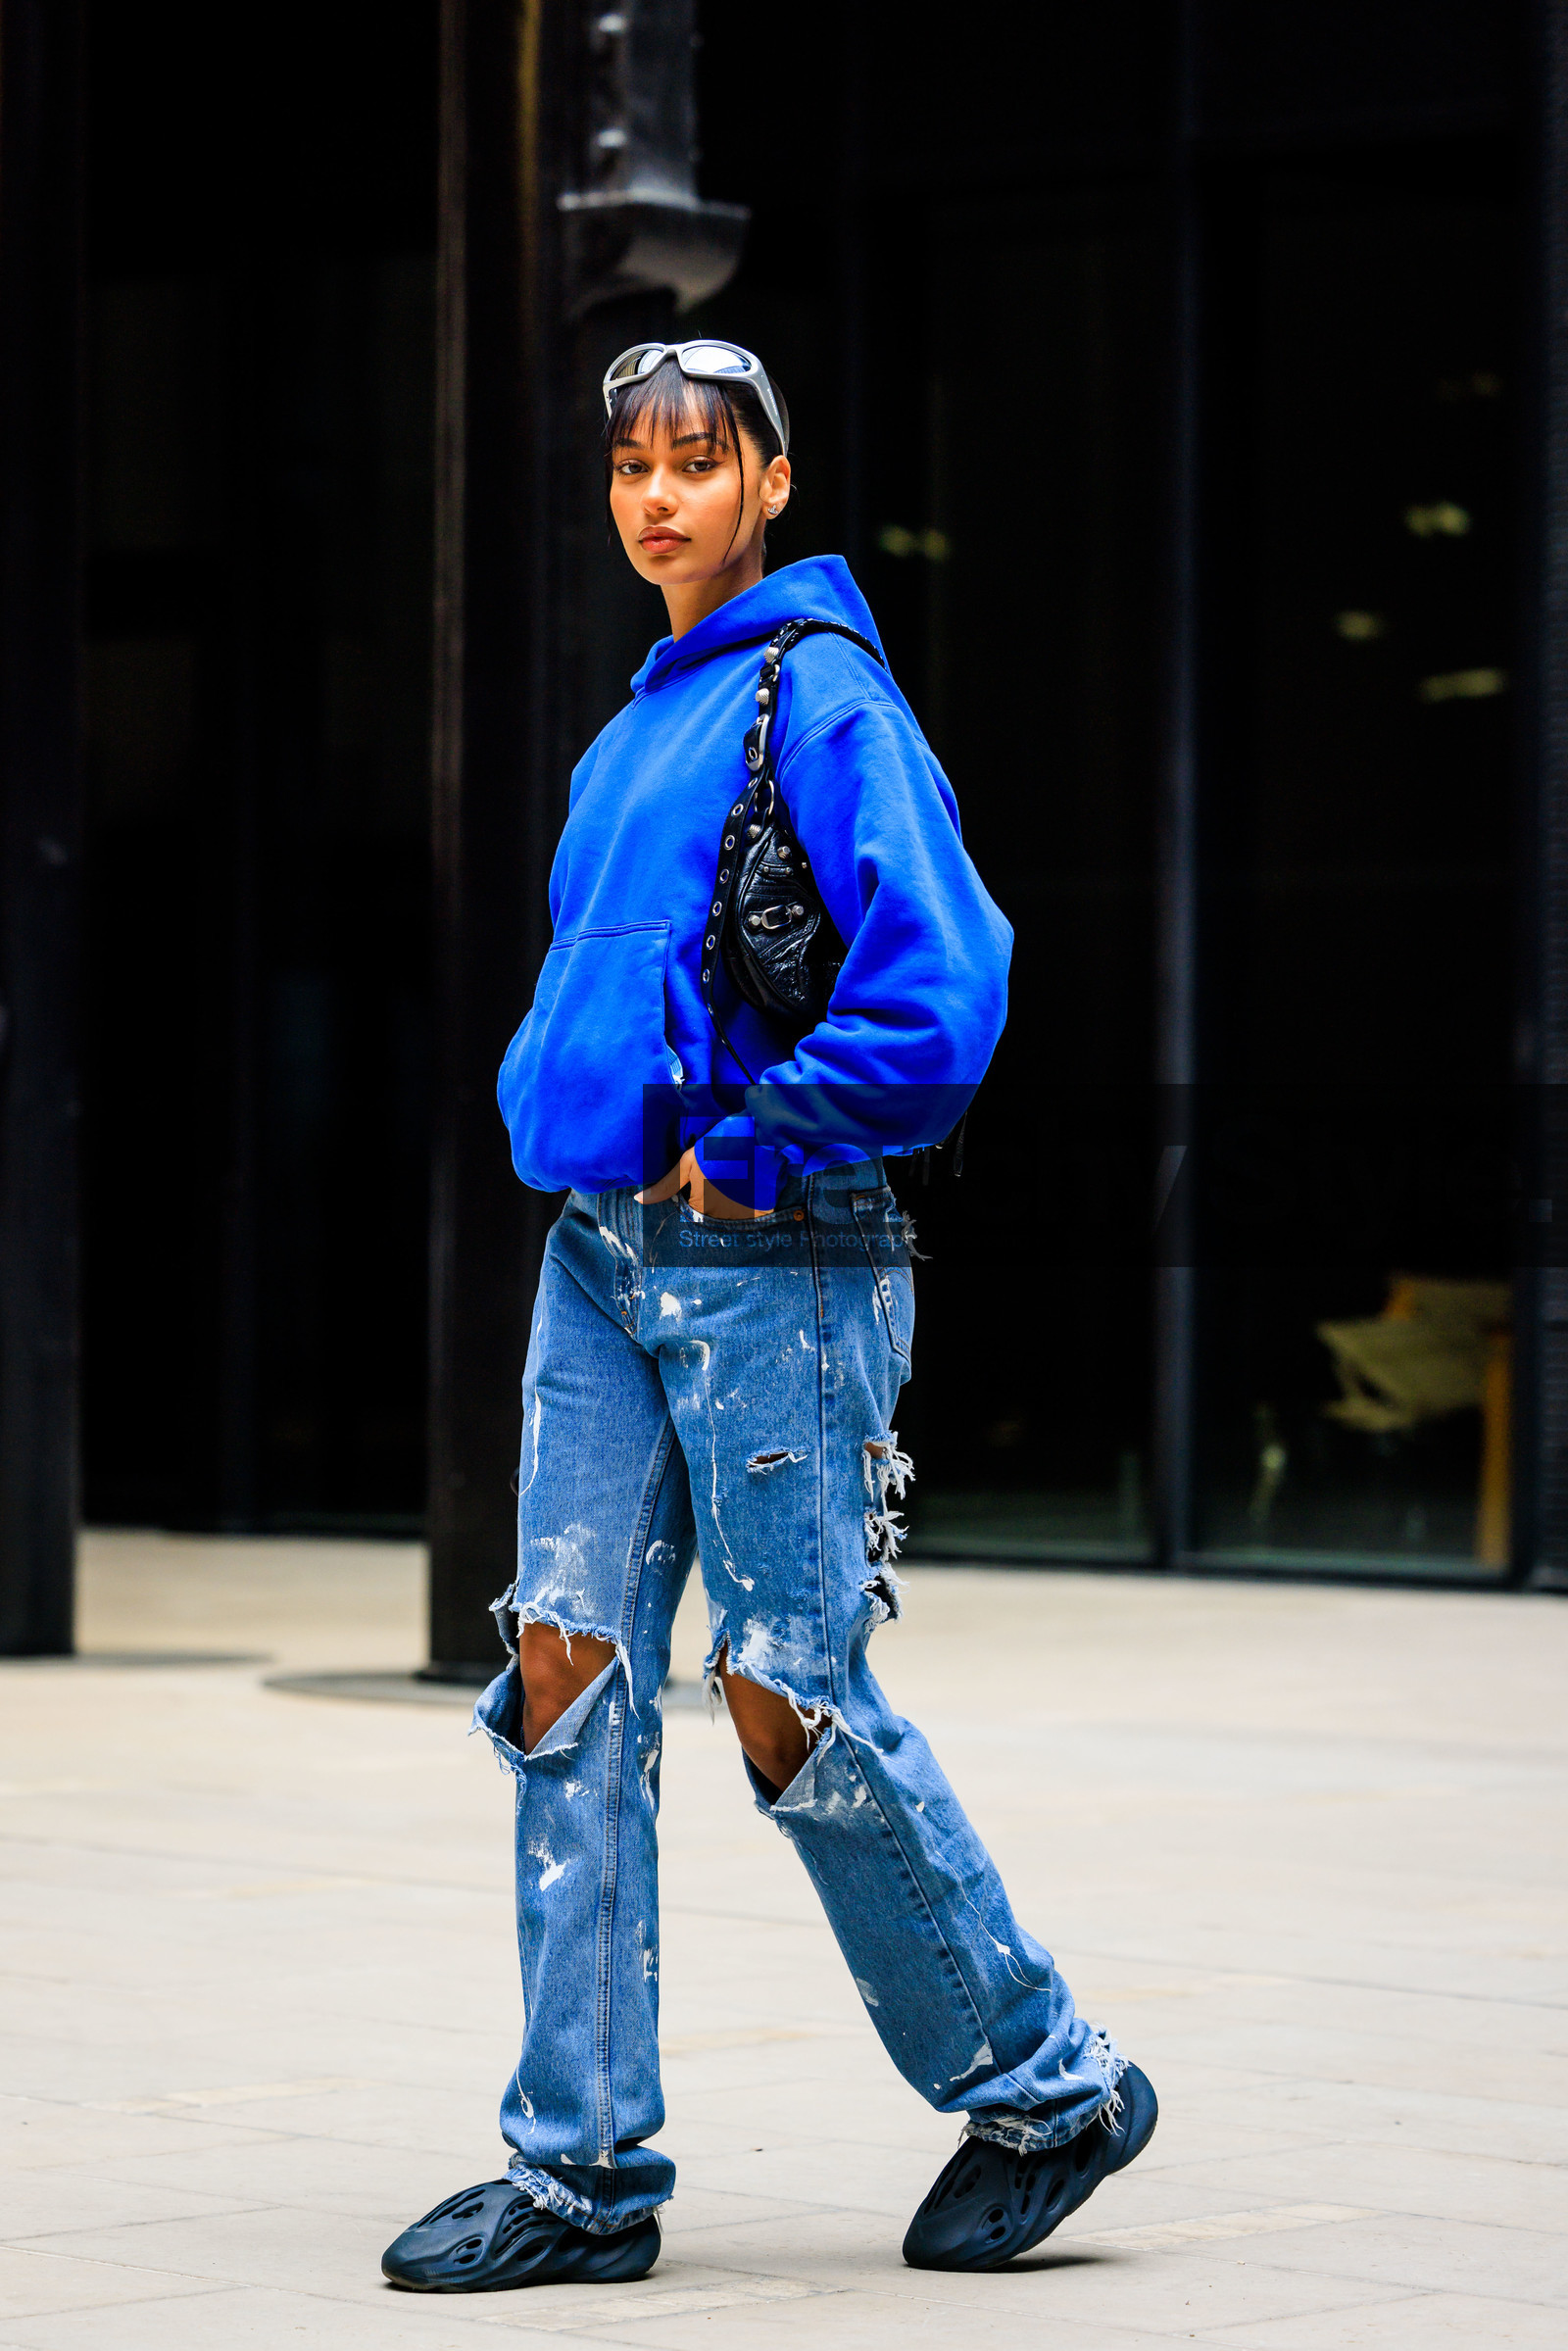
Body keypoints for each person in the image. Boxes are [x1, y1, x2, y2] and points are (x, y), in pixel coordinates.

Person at [381, 340, 1156, 2295]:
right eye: (629, 466)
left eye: (695, 465)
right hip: (596, 1254)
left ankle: (1048, 2083)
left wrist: (757, 1136)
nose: (655, 497)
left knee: (787, 1704)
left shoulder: (823, 701)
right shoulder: (622, 733)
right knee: (562, 1675)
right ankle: (577, 2177)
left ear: (772, 484)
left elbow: (943, 990)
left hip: (766, 1258)